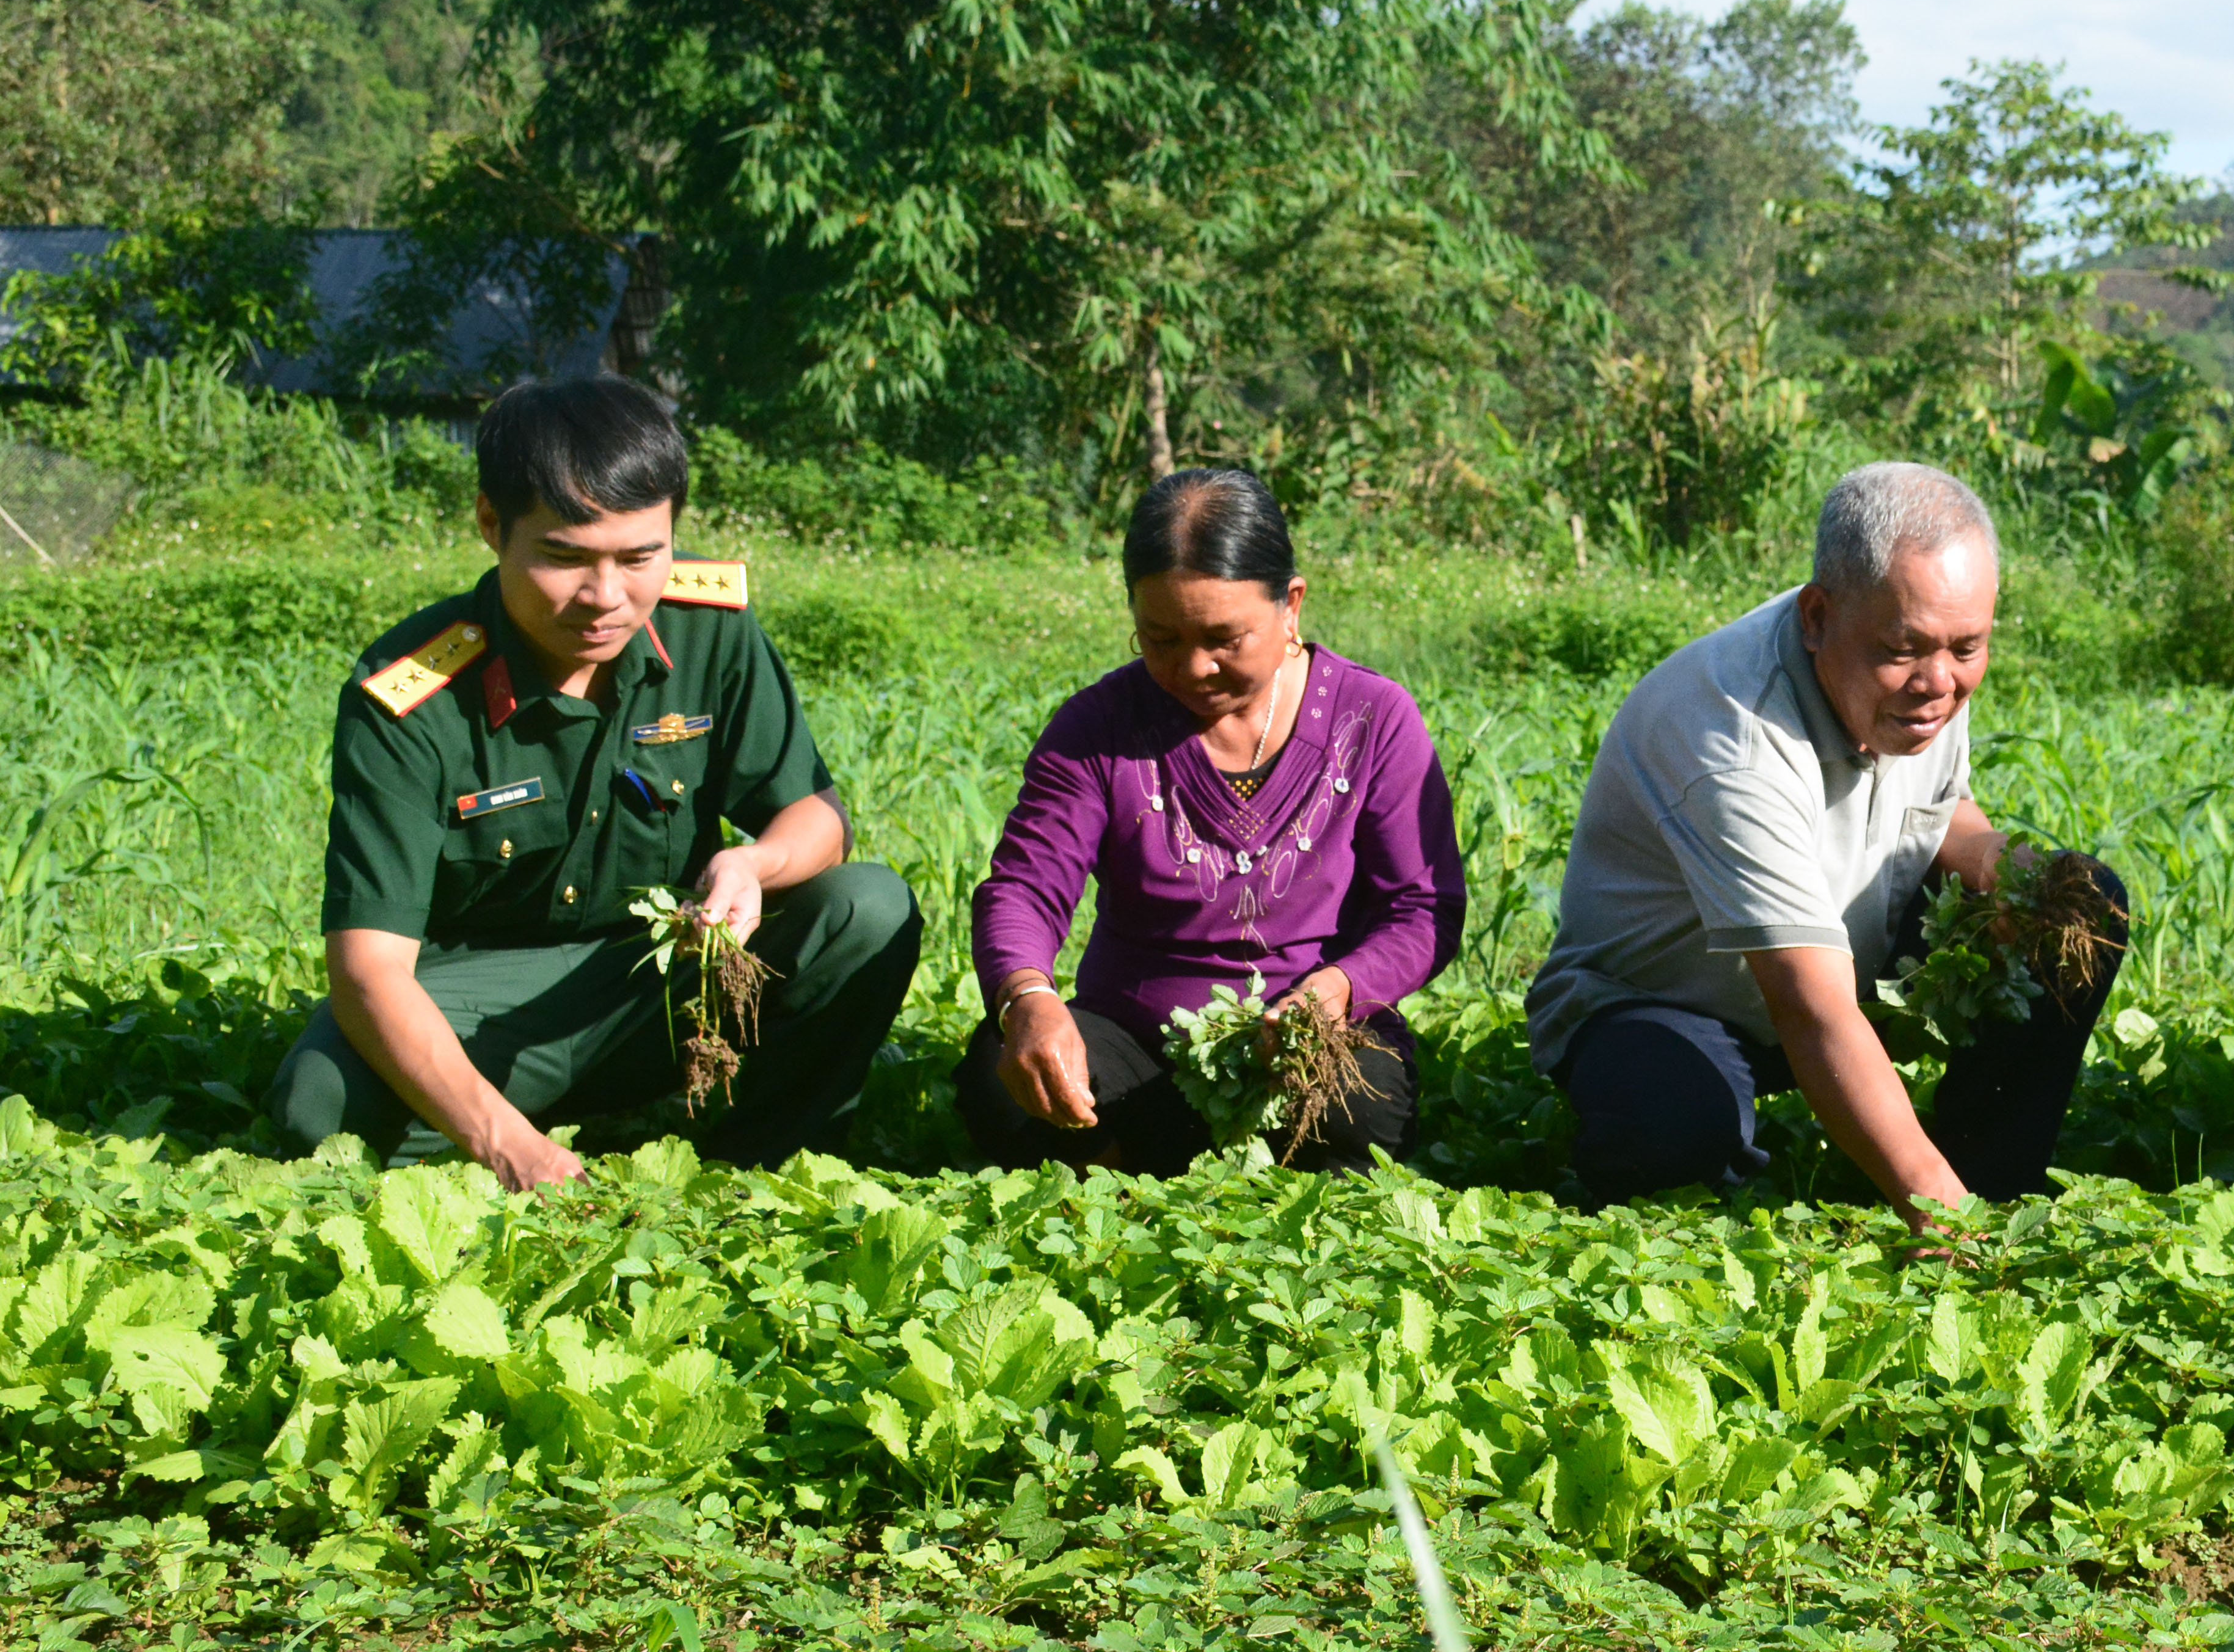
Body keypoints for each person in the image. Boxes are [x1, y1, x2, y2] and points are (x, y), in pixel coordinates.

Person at [270, 377, 922, 1189]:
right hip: (479, 1003)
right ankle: (512, 1118)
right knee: (317, 1107)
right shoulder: (413, 695)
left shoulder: (710, 632)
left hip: (664, 978)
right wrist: (512, 1149)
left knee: (868, 907)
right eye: (565, 558)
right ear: (490, 526)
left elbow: (816, 817)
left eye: (641, 557)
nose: (607, 597)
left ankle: (762, 1168)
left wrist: (754, 865)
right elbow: (368, 969)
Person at [1526, 462, 2127, 1223]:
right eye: (1906, 649)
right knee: (1673, 1137)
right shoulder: (1736, 740)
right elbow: (1810, 1008)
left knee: (2081, 902)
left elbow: (1944, 813)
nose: (1938, 680)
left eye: (1967, 647)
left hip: (1841, 956)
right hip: (1664, 1000)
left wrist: (2007, 873)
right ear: (1816, 618)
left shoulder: (1904, 659)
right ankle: (1942, 1198)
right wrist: (1943, 1222)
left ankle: (1992, 1176)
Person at [957, 468, 1465, 1175]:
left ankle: (1137, 1173)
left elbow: (1422, 908)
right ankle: (1111, 1189)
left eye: (1225, 639)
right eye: (1159, 639)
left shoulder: (1371, 718)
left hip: (1301, 1042)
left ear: (1290, 606)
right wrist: (1028, 999)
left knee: (1364, 1110)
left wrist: (1337, 990)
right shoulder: (1099, 727)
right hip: (1131, 1050)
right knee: (1003, 1074)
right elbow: (1023, 888)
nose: (1193, 668)